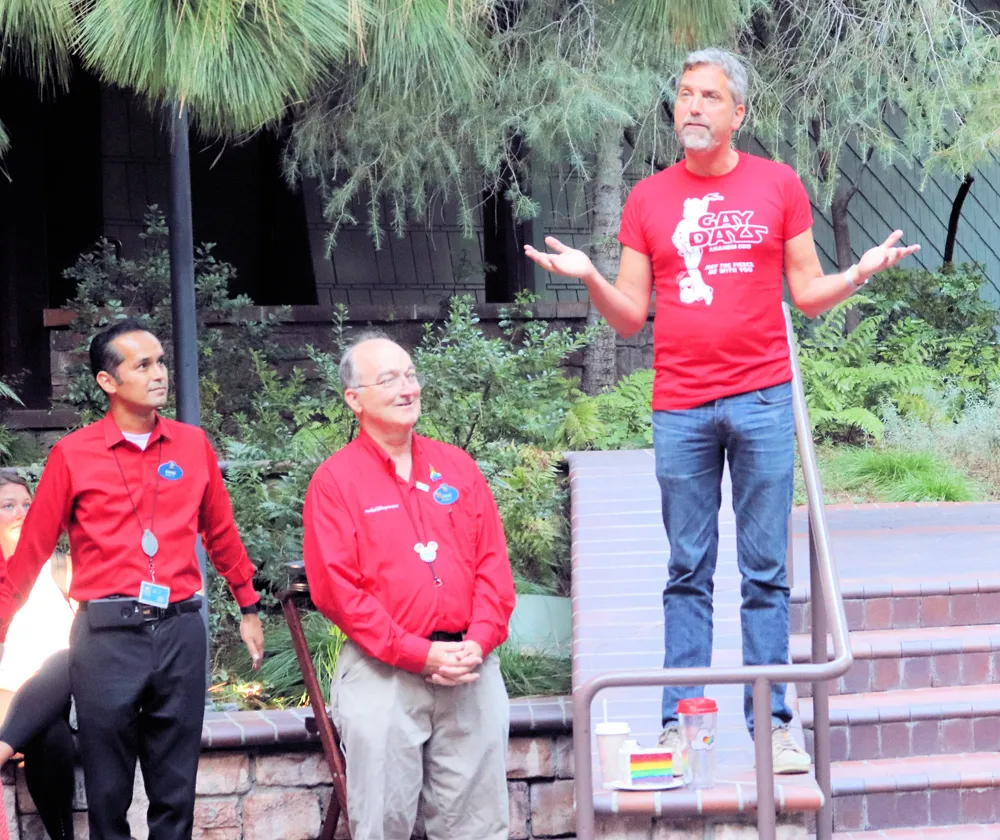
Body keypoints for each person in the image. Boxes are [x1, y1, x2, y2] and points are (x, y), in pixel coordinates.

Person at [524, 47, 919, 774]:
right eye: (685, 94)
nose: (693, 107)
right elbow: (629, 316)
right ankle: (680, 726)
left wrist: (857, 274)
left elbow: (807, 295)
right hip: (681, 408)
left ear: (738, 112)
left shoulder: (778, 184)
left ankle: (773, 727)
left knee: (766, 573)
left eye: (709, 96)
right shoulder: (649, 199)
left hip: (763, 399)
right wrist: (589, 278)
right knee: (687, 571)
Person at [0, 318, 265, 840]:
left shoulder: (192, 445)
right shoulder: (73, 455)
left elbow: (221, 533)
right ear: (108, 381)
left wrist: (248, 605)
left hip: (180, 628)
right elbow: (29, 555)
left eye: (160, 361)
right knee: (107, 794)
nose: (159, 373)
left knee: (175, 795)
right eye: (142, 365)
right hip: (106, 637)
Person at [302, 333, 516, 840]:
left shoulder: (457, 467)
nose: (408, 388)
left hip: (470, 668)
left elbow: (493, 567)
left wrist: (478, 641)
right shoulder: (335, 482)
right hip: (384, 673)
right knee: (384, 825)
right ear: (354, 398)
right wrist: (418, 654)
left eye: (411, 375)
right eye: (389, 379)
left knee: (479, 829)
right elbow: (339, 592)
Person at [0, 474, 76, 840]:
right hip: (5, 701)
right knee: (52, 736)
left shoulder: (58, 569)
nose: (21, 513)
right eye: (8, 505)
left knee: (68, 657)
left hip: (54, 696)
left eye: (27, 505)